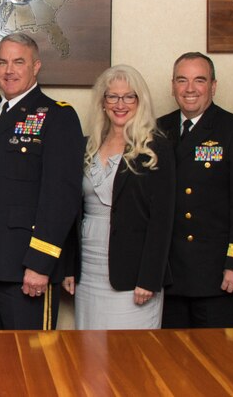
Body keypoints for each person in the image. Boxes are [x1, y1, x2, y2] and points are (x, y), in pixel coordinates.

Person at [0, 33, 83, 330]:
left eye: (18, 62)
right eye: (2, 62)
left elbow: (61, 198)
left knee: (32, 365)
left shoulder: (57, 116)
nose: (9, 70)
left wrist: (40, 262)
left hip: (27, 267)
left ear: (36, 67)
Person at [61, 65, 174, 329]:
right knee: (89, 353)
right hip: (88, 270)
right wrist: (69, 266)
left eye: (128, 97)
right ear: (103, 102)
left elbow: (163, 219)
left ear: (140, 101)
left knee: (128, 357)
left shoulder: (155, 148)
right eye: (112, 96)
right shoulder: (87, 145)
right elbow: (72, 211)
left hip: (133, 274)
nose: (120, 104)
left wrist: (149, 278)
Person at [158, 52, 233, 328]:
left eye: (199, 80)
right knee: (172, 362)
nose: (190, 89)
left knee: (219, 362)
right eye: (182, 80)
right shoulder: (158, 129)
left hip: (218, 274)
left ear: (213, 86)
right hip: (169, 274)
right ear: (172, 86)